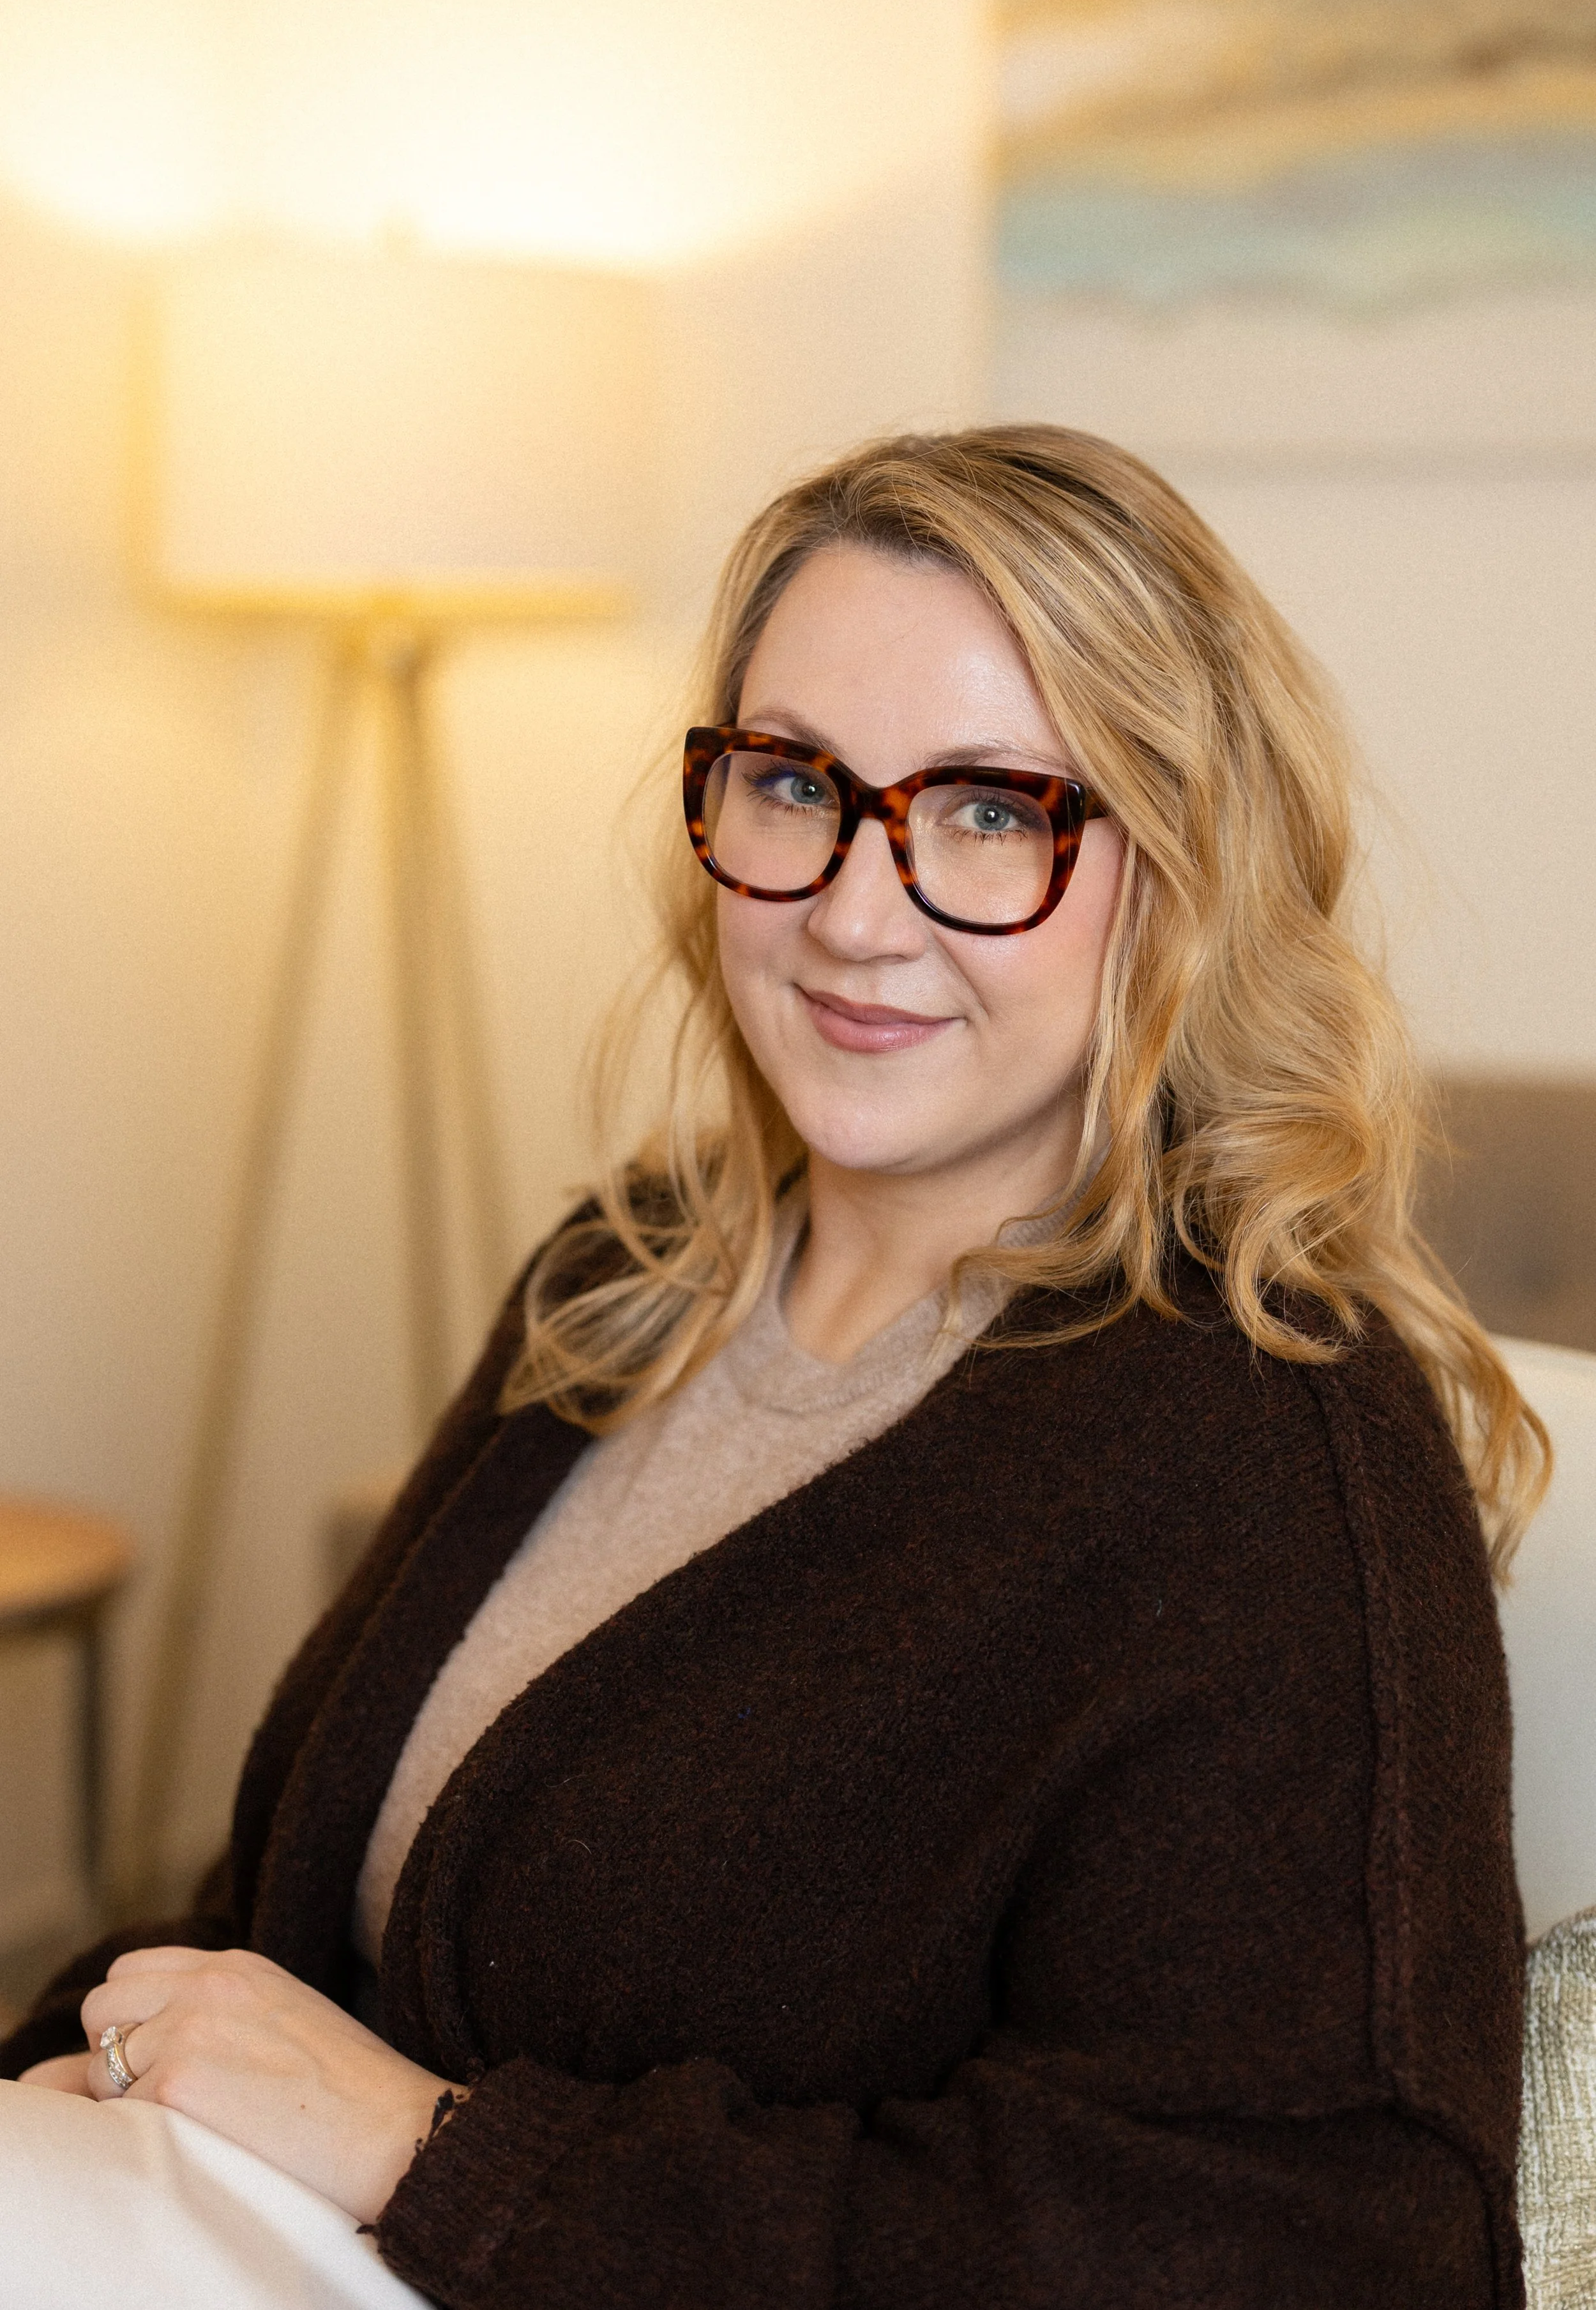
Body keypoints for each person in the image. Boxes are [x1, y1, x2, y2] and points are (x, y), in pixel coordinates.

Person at [1, 426, 1548, 2307]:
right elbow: (292, 1928)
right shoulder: (630, 1280)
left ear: (1180, 869)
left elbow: (1314, 2247)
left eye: (989, 809)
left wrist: (437, 2155)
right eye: (793, 780)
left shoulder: (1264, 1461)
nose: (851, 905)